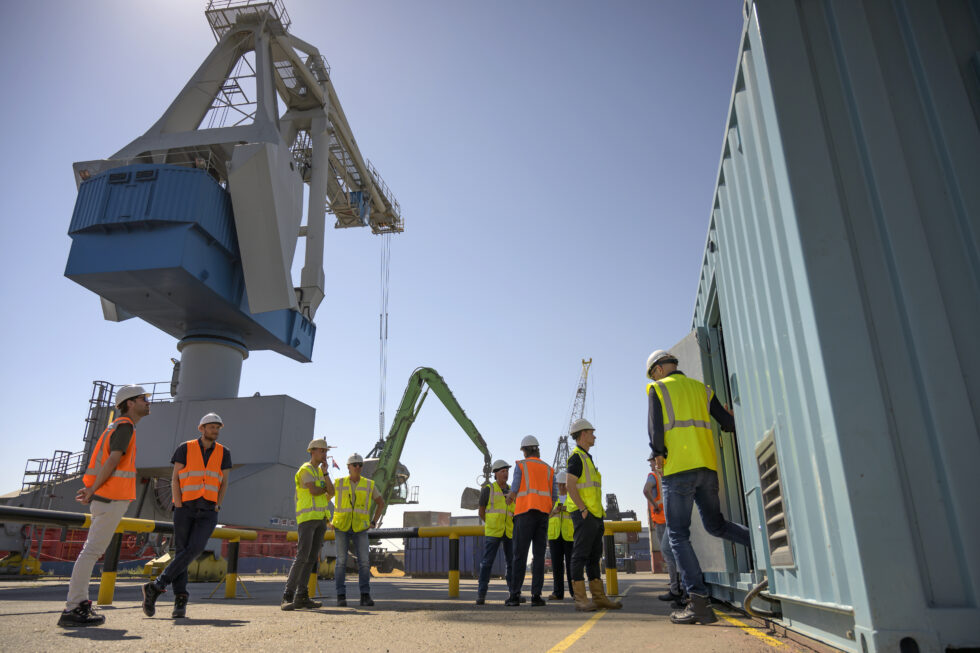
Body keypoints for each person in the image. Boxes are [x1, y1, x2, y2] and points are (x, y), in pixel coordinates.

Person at [646, 349, 750, 625]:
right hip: (707, 468)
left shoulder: (658, 388)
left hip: (678, 469)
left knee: (678, 535)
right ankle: (760, 547)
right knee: (716, 525)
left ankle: (700, 604)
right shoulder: (703, 390)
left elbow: (655, 430)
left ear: (657, 370)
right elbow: (728, 423)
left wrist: (657, 453)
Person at [58, 385, 151, 627]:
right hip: (110, 498)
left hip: (107, 497)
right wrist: (92, 490)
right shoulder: (125, 426)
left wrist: (92, 489)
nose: (147, 402)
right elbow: (113, 459)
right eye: (143, 399)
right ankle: (74, 607)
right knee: (90, 552)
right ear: (130, 403)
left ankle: (75, 605)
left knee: (90, 551)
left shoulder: (115, 426)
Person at [142, 412, 232, 619]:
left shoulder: (224, 453)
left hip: (209, 509)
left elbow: (224, 482)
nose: (215, 430)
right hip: (185, 508)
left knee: (195, 548)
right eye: (212, 427)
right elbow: (175, 479)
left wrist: (218, 505)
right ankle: (180, 601)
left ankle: (157, 586)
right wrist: (179, 504)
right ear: (201, 428)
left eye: (218, 427)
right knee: (183, 552)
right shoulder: (185, 448)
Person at [565, 418, 622, 612]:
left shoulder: (586, 458)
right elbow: (570, 485)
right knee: (580, 555)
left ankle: (599, 597)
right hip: (585, 514)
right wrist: (582, 508)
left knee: (594, 556)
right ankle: (581, 599)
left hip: (595, 515)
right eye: (591, 432)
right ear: (582, 434)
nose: (594, 435)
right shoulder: (576, 458)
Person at [281, 438, 335, 610]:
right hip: (307, 519)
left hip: (320, 520)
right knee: (302, 557)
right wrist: (324, 488)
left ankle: (302, 596)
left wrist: (326, 474)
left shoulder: (320, 472)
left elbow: (331, 492)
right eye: (321, 450)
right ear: (312, 451)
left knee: (312, 558)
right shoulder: (305, 470)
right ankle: (287, 596)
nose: (324, 454)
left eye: (326, 451)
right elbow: (314, 490)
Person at [505, 435, 554, 607]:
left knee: (519, 555)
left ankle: (515, 595)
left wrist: (509, 498)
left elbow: (515, 488)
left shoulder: (521, 465)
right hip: (543, 516)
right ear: (537, 449)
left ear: (525, 450)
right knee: (539, 557)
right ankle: (536, 596)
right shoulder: (548, 469)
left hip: (524, 514)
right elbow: (553, 496)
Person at [332, 453, 384, 607]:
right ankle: (341, 596)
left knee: (364, 562)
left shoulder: (369, 484)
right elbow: (324, 499)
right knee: (341, 562)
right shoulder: (339, 483)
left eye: (360, 465)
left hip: (360, 528)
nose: (358, 467)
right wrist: (328, 520)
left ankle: (365, 596)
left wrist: (374, 521)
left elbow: (380, 502)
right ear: (348, 467)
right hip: (341, 526)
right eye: (354, 464)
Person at [643, 453, 683, 607]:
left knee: (667, 552)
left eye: (651, 462)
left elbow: (646, 491)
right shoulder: (667, 474)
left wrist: (654, 505)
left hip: (661, 520)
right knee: (677, 551)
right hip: (674, 517)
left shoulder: (652, 476)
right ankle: (678, 586)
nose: (650, 465)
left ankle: (676, 588)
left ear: (656, 461)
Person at [476, 459, 515, 605]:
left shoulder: (512, 491)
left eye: (507, 471)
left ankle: (513, 593)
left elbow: (514, 511)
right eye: (503, 471)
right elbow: (481, 511)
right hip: (493, 532)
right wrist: (492, 524)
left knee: (511, 563)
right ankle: (481, 595)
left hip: (509, 532)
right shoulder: (488, 489)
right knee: (487, 563)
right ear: (496, 473)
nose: (506, 474)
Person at [547, 471, 574, 601]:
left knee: (571, 566)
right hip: (554, 536)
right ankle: (558, 593)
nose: (562, 487)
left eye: (564, 484)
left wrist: (566, 509)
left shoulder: (573, 499)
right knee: (557, 566)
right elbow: (545, 517)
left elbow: (577, 514)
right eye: (560, 485)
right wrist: (554, 511)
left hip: (569, 536)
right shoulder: (552, 501)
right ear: (556, 485)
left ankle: (576, 593)